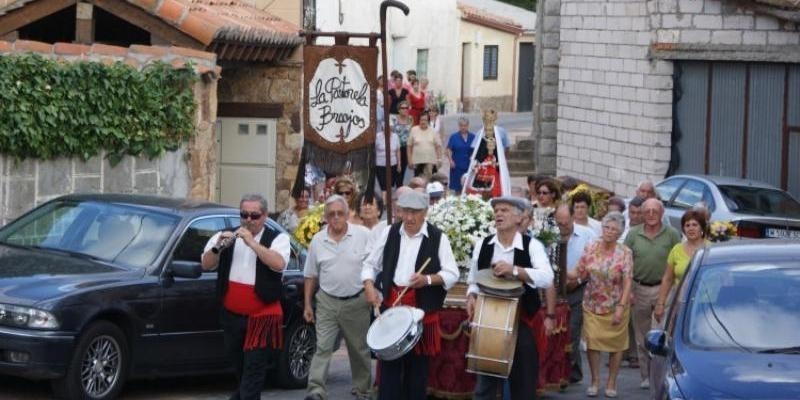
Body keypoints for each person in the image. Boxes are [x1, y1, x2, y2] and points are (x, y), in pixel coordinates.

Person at [362, 190, 460, 400]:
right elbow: (370, 263)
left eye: (414, 212)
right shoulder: (390, 232)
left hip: (420, 312)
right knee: (389, 372)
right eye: (404, 211)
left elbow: (452, 274)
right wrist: (369, 286)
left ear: (425, 212)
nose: (408, 217)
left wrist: (427, 280)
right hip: (391, 307)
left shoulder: (437, 238)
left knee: (417, 374)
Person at [201, 193, 290, 400]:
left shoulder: (277, 238)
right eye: (244, 215)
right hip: (232, 316)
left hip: (261, 317)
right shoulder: (226, 235)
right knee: (241, 369)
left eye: (254, 215)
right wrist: (218, 248)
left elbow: (278, 264)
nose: (248, 220)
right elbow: (206, 264)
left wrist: (253, 243)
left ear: (265, 216)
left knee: (254, 371)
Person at [467, 196, 554, 400]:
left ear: (519, 218)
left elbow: (547, 277)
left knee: (523, 384)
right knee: (484, 387)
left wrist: (515, 271)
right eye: (496, 210)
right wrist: (471, 295)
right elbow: (473, 279)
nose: (498, 214)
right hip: (487, 319)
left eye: (504, 210)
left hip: (521, 320)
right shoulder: (483, 244)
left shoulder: (531, 245)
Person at [303, 196, 373, 400]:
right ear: (325, 217)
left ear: (347, 214)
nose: (335, 218)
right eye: (331, 214)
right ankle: (316, 390)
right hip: (326, 301)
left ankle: (363, 389)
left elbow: (375, 264)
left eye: (339, 213)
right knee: (323, 347)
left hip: (356, 300)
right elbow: (310, 275)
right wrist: (307, 304)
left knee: (359, 348)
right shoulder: (318, 240)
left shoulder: (363, 235)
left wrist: (373, 290)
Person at [623, 198, 681, 390]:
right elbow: (625, 264)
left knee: (661, 335)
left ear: (661, 213)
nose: (650, 215)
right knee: (641, 337)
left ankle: (661, 374)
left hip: (663, 289)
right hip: (638, 288)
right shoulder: (633, 234)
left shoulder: (672, 234)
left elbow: (676, 261)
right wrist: (628, 290)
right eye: (647, 211)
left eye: (654, 211)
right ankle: (646, 375)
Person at [574, 212, 633, 398]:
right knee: (592, 343)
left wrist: (621, 307)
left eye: (614, 229)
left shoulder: (625, 252)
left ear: (620, 232)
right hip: (592, 303)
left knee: (616, 346)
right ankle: (595, 380)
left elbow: (628, 282)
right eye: (606, 227)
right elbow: (580, 272)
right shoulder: (590, 247)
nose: (609, 231)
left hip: (617, 304)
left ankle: (611, 382)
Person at [557, 204, 598, 384]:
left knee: (572, 330)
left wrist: (578, 281)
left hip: (579, 287)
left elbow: (595, 262)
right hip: (555, 288)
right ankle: (561, 371)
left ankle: (571, 371)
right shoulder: (549, 232)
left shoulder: (587, 235)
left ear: (573, 218)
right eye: (559, 224)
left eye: (565, 224)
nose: (562, 227)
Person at [654, 210, 708, 324]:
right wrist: (660, 304)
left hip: (706, 304)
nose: (691, 228)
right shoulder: (677, 249)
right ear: (683, 229)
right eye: (687, 225)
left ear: (702, 228)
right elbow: (667, 279)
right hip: (682, 303)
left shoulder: (711, 249)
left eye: (695, 225)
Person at [466, 109, 511, 197]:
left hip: (497, 167)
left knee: (497, 189)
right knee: (480, 192)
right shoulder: (480, 133)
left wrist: (502, 161)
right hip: (483, 169)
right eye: (487, 118)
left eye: (491, 118)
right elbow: (474, 150)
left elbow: (506, 147)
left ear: (495, 118)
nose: (489, 121)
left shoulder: (501, 132)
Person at [408, 114, 443, 180]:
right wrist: (410, 160)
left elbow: (438, 146)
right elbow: (409, 146)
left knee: (430, 181)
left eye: (425, 120)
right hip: (417, 161)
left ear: (428, 121)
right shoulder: (414, 130)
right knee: (418, 182)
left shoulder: (433, 131)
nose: (423, 122)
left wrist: (439, 159)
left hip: (430, 161)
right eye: (421, 120)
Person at [446, 117, 475, 193]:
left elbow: (476, 150)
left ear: (468, 126)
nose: (463, 127)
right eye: (461, 125)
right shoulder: (454, 137)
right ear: (459, 126)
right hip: (457, 166)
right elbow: (448, 149)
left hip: (469, 166)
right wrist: (450, 160)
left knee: (469, 187)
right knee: (458, 188)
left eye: (465, 125)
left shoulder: (473, 137)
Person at [391, 100, 413, 180]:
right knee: (395, 166)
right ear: (399, 109)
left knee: (403, 166)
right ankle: (394, 182)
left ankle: (399, 184)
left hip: (406, 147)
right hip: (395, 147)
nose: (405, 110)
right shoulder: (394, 119)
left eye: (406, 108)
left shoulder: (410, 119)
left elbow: (411, 133)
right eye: (402, 108)